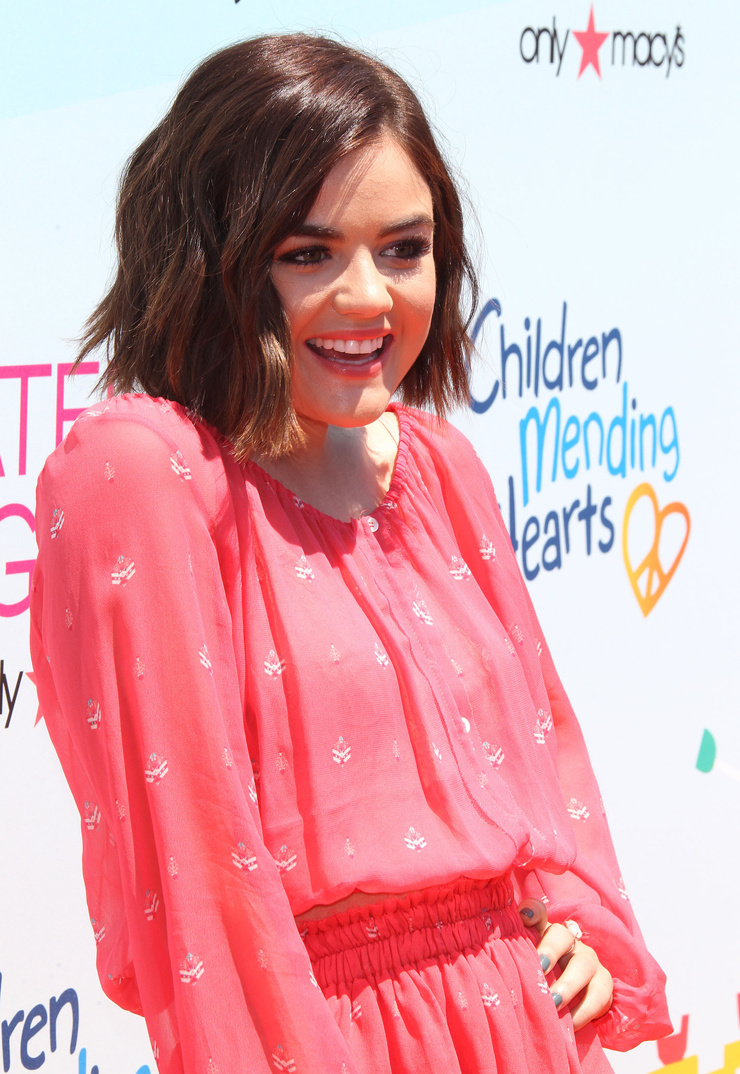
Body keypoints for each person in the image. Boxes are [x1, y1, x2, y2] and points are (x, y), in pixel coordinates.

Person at [30, 33, 670, 1074]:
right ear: (209, 257)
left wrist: (569, 919)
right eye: (307, 253)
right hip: (329, 1038)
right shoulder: (143, 473)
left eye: (404, 249)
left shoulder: (438, 464)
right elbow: (198, 870)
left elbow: (538, 756)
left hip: (526, 1026)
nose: (370, 297)